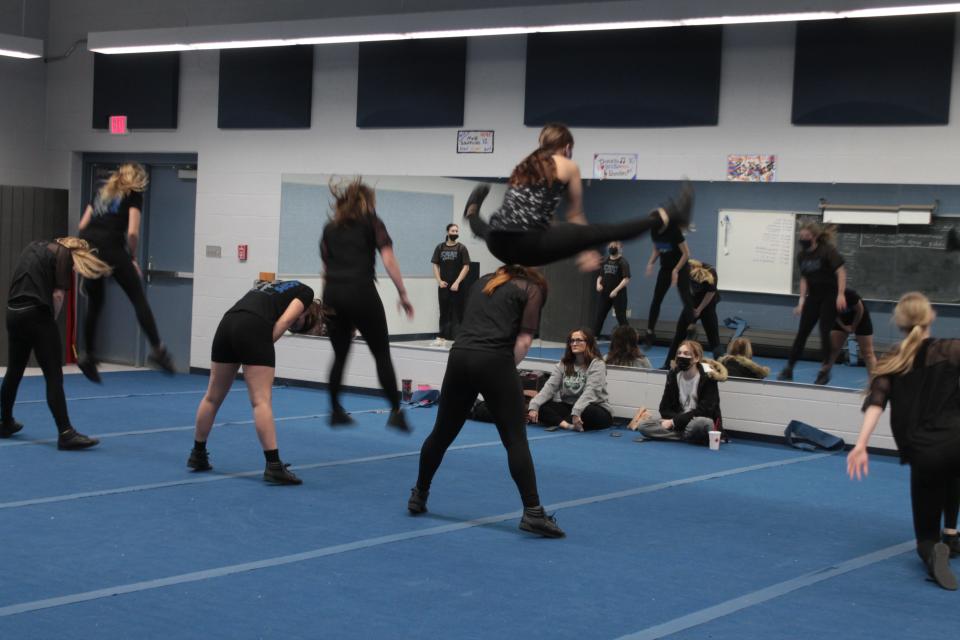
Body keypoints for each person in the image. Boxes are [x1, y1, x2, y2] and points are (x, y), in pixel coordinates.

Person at [410, 265, 564, 538]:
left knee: (442, 433)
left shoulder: (482, 282)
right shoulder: (531, 288)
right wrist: (503, 371)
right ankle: (533, 513)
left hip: (460, 356)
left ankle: (419, 494)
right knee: (515, 439)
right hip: (493, 358)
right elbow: (525, 340)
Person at [464, 123, 693, 272]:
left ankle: (472, 211)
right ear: (567, 147)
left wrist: (576, 243)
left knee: (485, 229)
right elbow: (575, 213)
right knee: (604, 232)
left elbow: (532, 212)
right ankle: (667, 215)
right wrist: (585, 248)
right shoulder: (567, 165)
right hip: (528, 244)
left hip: (498, 244)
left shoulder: (523, 165)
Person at [848, 292, 960, 590]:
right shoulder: (953, 349)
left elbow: (876, 402)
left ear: (899, 322)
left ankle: (934, 547)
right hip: (956, 441)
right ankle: (951, 532)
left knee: (925, 534)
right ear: (930, 317)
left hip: (922, 449)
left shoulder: (893, 358)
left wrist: (860, 444)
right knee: (951, 471)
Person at [187, 279, 320, 485]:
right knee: (261, 401)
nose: (293, 325)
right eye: (298, 324)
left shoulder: (272, 286)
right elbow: (283, 322)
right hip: (253, 326)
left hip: (227, 322)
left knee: (212, 396)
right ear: (306, 312)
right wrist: (261, 345)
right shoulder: (306, 292)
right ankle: (274, 466)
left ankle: (198, 454)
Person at [320, 177, 414, 431]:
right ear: (367, 202)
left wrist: (327, 306)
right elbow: (388, 259)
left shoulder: (330, 228)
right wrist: (402, 293)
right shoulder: (372, 222)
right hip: (361, 292)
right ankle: (395, 411)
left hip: (333, 294)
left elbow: (326, 268)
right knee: (381, 353)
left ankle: (336, 410)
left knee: (339, 354)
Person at [1, 238, 112, 449]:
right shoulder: (63, 254)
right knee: (53, 375)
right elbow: (58, 295)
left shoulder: (34, 246)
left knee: (14, 371)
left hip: (13, 312)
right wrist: (49, 324)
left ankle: (4, 422)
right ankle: (66, 433)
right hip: (36, 313)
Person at [77, 162, 175, 382]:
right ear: (138, 180)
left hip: (90, 247)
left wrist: (82, 254)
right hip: (112, 247)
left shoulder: (101, 193)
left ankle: (89, 355)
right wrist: (131, 258)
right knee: (138, 299)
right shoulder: (133, 194)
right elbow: (132, 232)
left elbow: (82, 225)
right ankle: (158, 350)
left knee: (95, 302)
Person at [778, 222, 847, 385]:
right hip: (813, 297)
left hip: (830, 296)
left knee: (824, 332)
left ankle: (825, 370)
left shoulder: (827, 251)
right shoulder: (801, 256)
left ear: (814, 237)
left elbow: (841, 272)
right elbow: (804, 279)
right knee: (802, 333)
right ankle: (789, 368)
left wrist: (841, 294)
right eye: (801, 237)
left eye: (806, 237)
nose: (803, 239)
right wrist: (801, 302)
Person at [633, 340, 727, 444]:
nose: (681, 356)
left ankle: (682, 435)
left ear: (696, 358)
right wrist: (673, 421)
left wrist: (674, 422)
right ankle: (686, 436)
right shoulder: (673, 375)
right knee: (643, 426)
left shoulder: (708, 377)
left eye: (686, 354)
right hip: (679, 423)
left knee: (700, 422)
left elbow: (705, 411)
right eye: (679, 353)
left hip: (699, 421)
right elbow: (664, 408)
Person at [527, 329, 613, 432]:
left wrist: (577, 411)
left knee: (587, 411)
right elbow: (550, 387)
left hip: (593, 408)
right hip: (569, 407)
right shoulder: (564, 364)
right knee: (541, 406)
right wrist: (534, 405)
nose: (574, 343)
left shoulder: (597, 364)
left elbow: (592, 392)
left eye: (578, 340)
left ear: (588, 343)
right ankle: (568, 425)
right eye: (572, 341)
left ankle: (563, 420)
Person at [643, 201, 692, 348]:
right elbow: (657, 249)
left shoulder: (674, 231)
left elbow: (686, 254)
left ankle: (691, 330)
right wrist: (651, 263)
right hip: (665, 268)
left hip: (681, 267)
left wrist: (676, 271)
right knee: (656, 299)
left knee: (685, 297)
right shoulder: (654, 231)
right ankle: (650, 332)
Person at [663, 259, 721, 367]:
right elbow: (685, 292)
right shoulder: (683, 271)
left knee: (714, 339)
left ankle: (722, 366)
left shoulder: (711, 271)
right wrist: (690, 309)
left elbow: (711, 292)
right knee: (679, 336)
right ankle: (667, 365)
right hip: (691, 303)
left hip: (708, 305)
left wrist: (699, 309)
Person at [430, 223, 470, 347]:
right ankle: (441, 338)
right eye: (453, 231)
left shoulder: (461, 248)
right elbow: (435, 265)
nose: (455, 233)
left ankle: (464, 339)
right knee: (443, 312)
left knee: (460, 312)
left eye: (456, 231)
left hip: (458, 286)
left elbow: (466, 266)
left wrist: (457, 282)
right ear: (447, 232)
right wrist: (439, 281)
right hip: (444, 286)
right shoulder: (440, 247)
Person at [825, 287, 877, 375]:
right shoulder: (825, 296)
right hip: (842, 319)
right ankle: (823, 375)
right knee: (833, 348)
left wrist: (853, 327)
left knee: (867, 353)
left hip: (860, 318)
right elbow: (832, 314)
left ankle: (874, 382)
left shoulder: (849, 294)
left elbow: (860, 310)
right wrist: (844, 327)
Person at [593, 241, 631, 339]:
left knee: (621, 317)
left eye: (615, 246)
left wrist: (616, 290)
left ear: (620, 247)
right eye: (610, 245)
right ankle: (594, 337)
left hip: (618, 295)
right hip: (604, 294)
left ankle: (629, 339)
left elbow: (626, 279)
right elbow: (600, 276)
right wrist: (598, 285)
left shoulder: (623, 262)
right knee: (599, 315)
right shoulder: (606, 261)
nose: (612, 247)